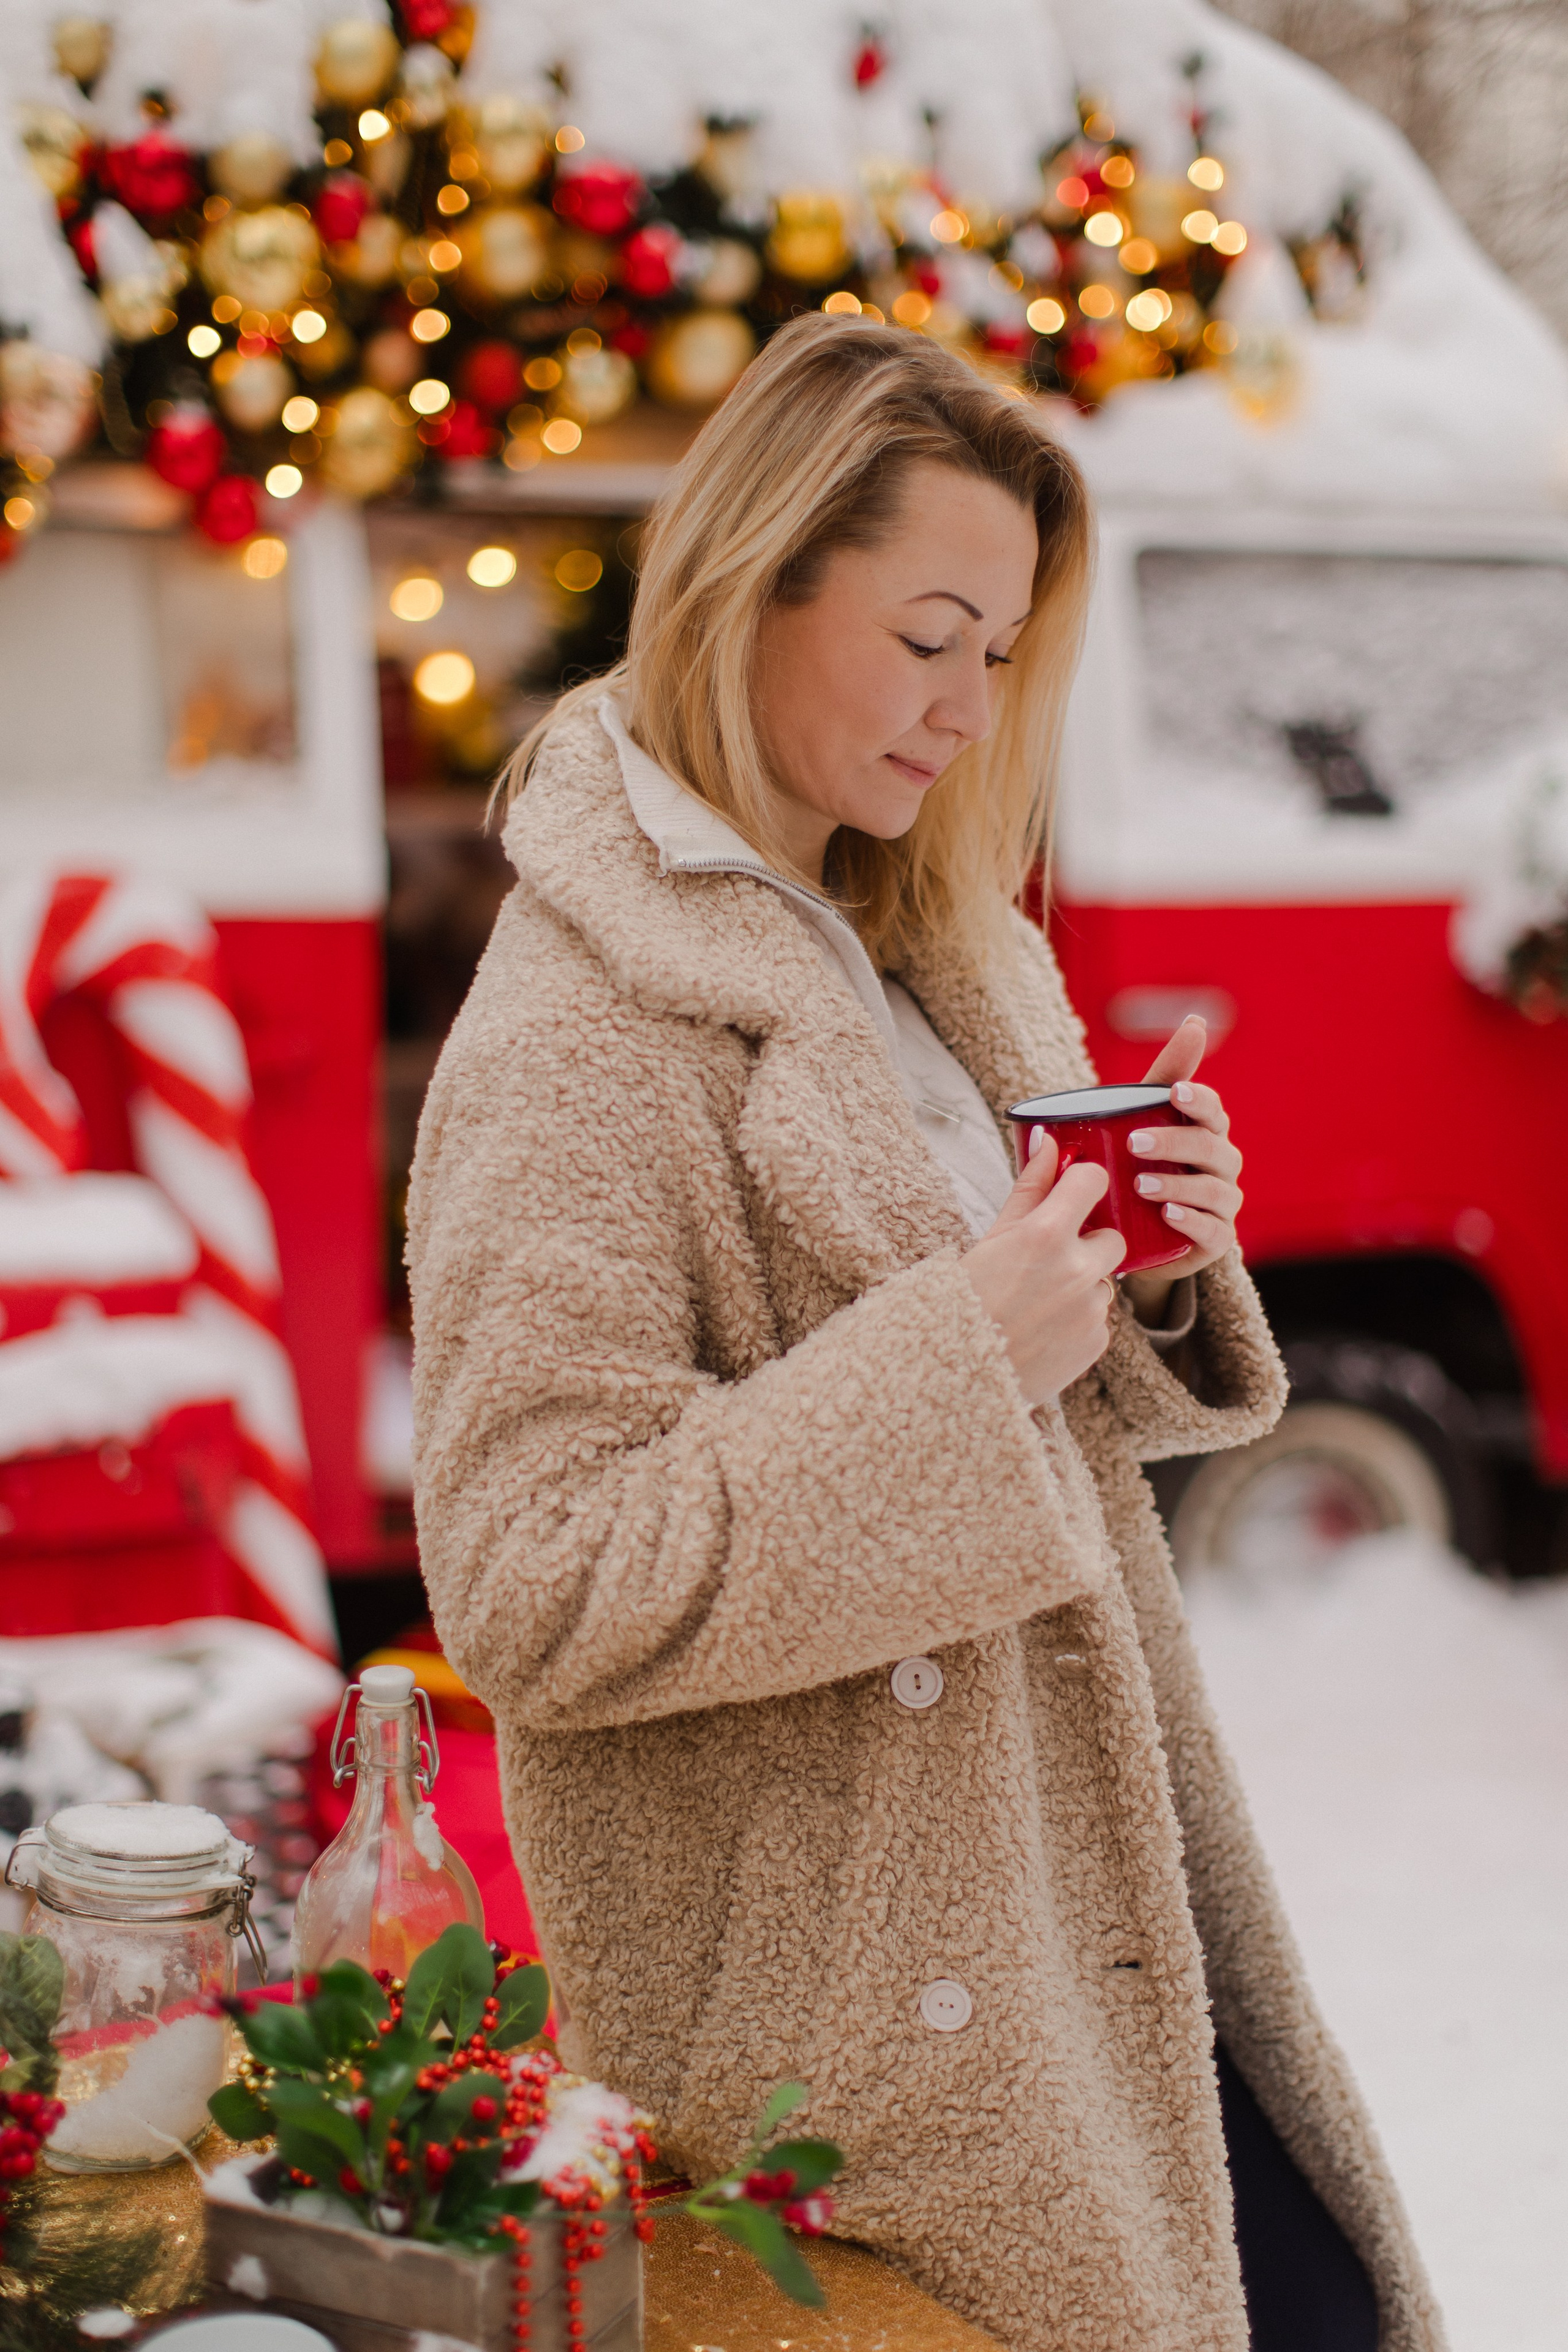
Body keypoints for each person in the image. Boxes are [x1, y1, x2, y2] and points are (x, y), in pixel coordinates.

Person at [408, 316, 1441, 2352]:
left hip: (1089, 1883)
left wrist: (1129, 1266)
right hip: (866, 2002)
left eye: (1005, 654)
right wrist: (969, 1346)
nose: (974, 711)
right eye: (930, 637)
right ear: (753, 582)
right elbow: (533, 1580)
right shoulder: (574, 1030)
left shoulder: (928, 936)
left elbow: (1031, 1396)